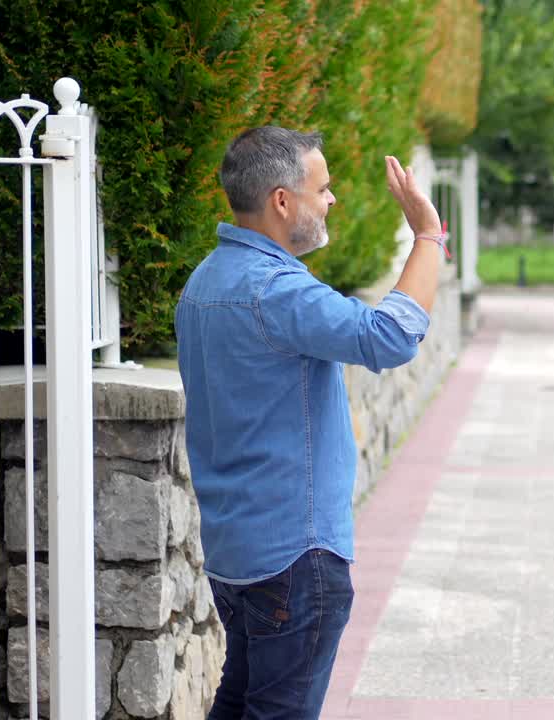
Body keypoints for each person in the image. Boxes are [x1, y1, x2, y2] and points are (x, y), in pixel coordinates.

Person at [175, 125, 446, 719]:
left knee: (240, 702)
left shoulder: (204, 282)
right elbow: (390, 337)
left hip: (236, 553)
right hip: (295, 558)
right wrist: (428, 236)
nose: (332, 199)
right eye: (322, 189)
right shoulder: (277, 291)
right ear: (281, 200)